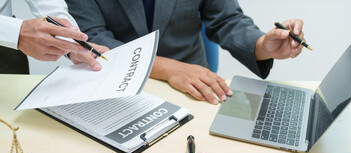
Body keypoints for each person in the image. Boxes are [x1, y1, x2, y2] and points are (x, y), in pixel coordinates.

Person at [66, 0, 305, 104]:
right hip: (116, 86)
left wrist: (263, 45)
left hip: (194, 90)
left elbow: (226, 19)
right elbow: (92, 39)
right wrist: (167, 68)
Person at [0, 0, 108, 74]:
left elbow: (46, 3)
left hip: (9, 51)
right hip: (12, 39)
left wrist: (70, 42)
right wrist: (15, 31)